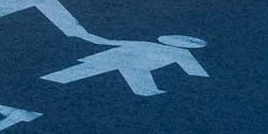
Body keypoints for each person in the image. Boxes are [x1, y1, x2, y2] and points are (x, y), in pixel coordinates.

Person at [40, 36, 208, 97]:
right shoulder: (184, 53)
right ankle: (147, 93)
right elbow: (194, 71)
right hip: (135, 65)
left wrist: (89, 37)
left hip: (112, 59)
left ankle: (49, 83)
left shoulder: (145, 43)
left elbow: (109, 42)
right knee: (140, 80)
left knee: (74, 72)